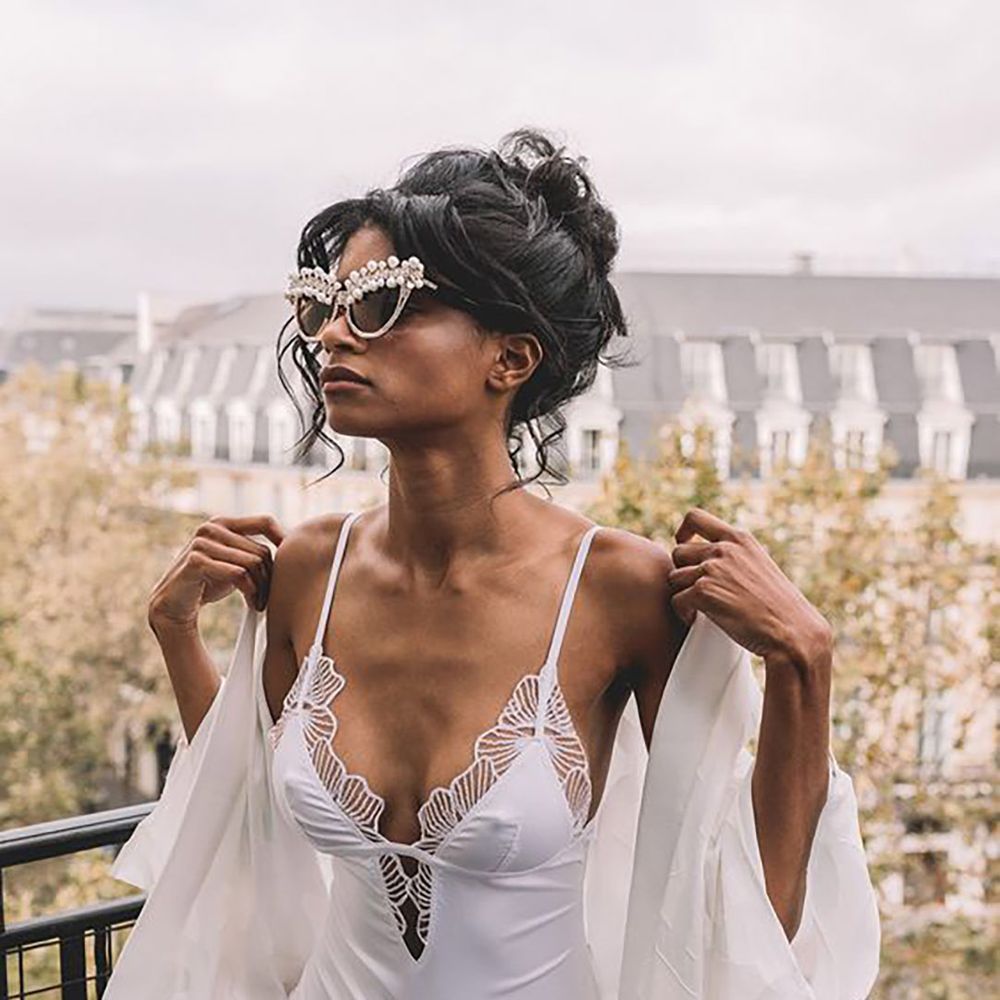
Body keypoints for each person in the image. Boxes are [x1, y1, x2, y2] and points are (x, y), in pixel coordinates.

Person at [105, 128, 880, 999]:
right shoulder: (310, 568)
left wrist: (804, 660)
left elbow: (744, 919)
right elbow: (241, 816)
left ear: (510, 358)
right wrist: (176, 634)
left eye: (382, 303)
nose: (333, 334)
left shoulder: (621, 588)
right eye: (327, 303)